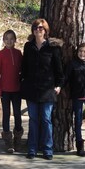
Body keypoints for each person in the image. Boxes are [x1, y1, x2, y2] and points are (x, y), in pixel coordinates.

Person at [20, 18, 64, 160]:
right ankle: (32, 148)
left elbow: (59, 69)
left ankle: (47, 149)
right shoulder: (28, 46)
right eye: (36, 28)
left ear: (45, 31)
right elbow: (24, 67)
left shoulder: (53, 47)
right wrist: (23, 81)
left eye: (41, 28)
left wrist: (59, 85)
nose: (38, 30)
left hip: (48, 89)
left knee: (46, 119)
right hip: (31, 88)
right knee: (33, 119)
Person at [0, 30, 24, 153]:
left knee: (17, 114)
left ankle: (17, 138)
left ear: (15, 40)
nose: (9, 41)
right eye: (6, 39)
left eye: (11, 38)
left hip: (17, 89)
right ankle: (8, 141)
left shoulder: (18, 53)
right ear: (4, 40)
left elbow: (22, 71)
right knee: (6, 114)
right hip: (5, 90)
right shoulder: (0, 54)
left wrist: (22, 86)